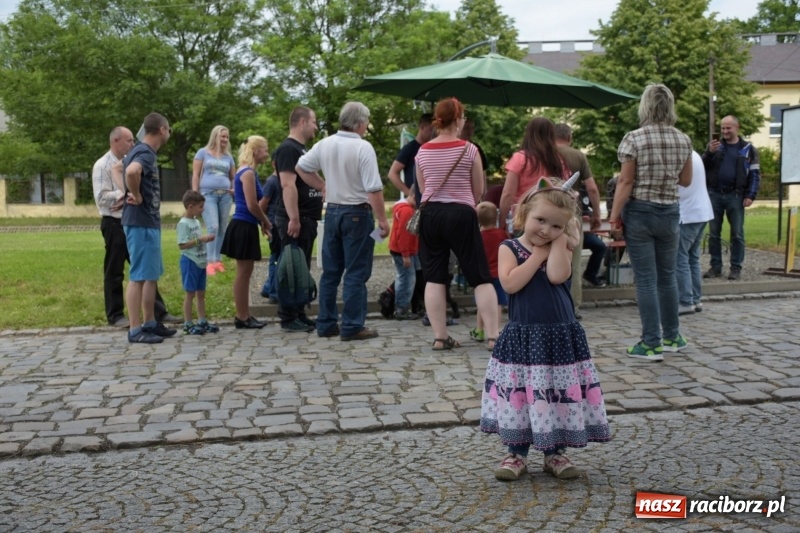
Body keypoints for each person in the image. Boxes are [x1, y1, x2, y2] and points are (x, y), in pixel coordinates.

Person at [480, 177, 610, 482]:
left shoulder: (558, 246)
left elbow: (556, 276)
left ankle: (555, 452)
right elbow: (510, 283)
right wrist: (538, 253)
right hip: (525, 335)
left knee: (556, 393)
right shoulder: (509, 247)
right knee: (523, 394)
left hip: (558, 335)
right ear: (525, 213)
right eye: (540, 221)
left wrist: (561, 244)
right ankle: (516, 453)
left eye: (555, 226)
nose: (546, 230)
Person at [609, 84, 692, 360]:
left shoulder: (634, 138)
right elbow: (686, 180)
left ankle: (651, 342)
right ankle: (672, 336)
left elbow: (626, 181)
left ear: (644, 106)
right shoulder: (683, 139)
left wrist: (614, 216)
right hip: (670, 211)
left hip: (641, 212)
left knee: (645, 279)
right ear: (670, 106)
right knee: (667, 277)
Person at [295, 101, 390, 341]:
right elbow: (374, 188)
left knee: (330, 272)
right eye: (366, 122)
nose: (366, 126)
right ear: (359, 123)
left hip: (333, 212)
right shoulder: (363, 147)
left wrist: (323, 185)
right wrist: (382, 219)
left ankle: (326, 323)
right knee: (356, 272)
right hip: (357, 213)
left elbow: (301, 167)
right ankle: (352, 325)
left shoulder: (325, 144)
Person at [415, 97, 498, 351]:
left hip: (431, 214)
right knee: (480, 276)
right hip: (461, 213)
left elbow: (422, 188)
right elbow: (478, 190)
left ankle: (441, 337)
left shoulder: (422, 151)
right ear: (459, 119)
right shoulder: (469, 149)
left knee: (434, 277)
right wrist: (464, 205)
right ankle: (493, 337)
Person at [92, 126, 178, 328]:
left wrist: (131, 193)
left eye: (133, 140)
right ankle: (116, 315)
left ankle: (157, 313)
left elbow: (125, 172)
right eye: (128, 140)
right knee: (115, 270)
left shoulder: (131, 157)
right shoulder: (102, 165)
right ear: (115, 141)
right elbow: (101, 198)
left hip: (134, 219)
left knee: (147, 270)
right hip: (114, 222)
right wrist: (128, 194)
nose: (132, 144)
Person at [122, 113, 177, 344]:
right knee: (138, 276)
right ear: (162, 129)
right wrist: (135, 195)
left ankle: (150, 323)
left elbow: (119, 168)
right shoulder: (144, 152)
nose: (169, 133)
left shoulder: (144, 152)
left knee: (150, 275)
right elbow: (131, 172)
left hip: (147, 221)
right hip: (140, 221)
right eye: (169, 129)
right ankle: (135, 330)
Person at [273, 106, 321, 333]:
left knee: (302, 269)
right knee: (291, 268)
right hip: (295, 219)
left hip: (307, 218)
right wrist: (294, 218)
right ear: (302, 122)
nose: (316, 126)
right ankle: (288, 316)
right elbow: (287, 184)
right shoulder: (288, 149)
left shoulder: (302, 149)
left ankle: (299, 312)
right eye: (313, 122)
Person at [220, 136, 271, 329]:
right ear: (256, 151)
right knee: (243, 273)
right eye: (265, 149)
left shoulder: (245, 171)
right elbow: (252, 204)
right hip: (243, 225)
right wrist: (265, 221)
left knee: (246, 272)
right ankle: (241, 316)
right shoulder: (248, 173)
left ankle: (245, 314)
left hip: (245, 224)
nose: (267, 153)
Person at [702, 115, 761, 281]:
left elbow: (755, 174)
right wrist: (708, 152)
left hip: (736, 195)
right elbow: (702, 166)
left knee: (737, 234)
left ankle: (736, 267)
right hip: (714, 194)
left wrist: (751, 195)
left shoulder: (748, 149)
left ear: (737, 127)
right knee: (713, 233)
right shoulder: (715, 147)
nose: (725, 131)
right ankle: (716, 267)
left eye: (728, 128)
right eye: (722, 128)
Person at [554, 123, 605, 296]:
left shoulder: (544, 153)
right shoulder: (578, 156)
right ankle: (573, 305)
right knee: (574, 259)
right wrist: (596, 214)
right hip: (572, 210)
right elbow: (591, 188)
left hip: (548, 208)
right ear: (569, 137)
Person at [499, 117, 570, 234]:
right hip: (551, 222)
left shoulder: (520, 158)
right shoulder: (559, 160)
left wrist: (502, 222)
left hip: (523, 220)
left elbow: (508, 194)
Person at [192, 125, 236, 276]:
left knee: (223, 227)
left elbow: (233, 177)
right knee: (213, 227)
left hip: (225, 196)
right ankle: (209, 261)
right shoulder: (203, 153)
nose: (224, 139)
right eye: (222, 136)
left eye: (226, 137)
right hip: (207, 194)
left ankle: (217, 260)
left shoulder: (228, 157)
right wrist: (195, 193)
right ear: (215, 136)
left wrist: (233, 188)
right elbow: (196, 174)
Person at [176, 190, 219, 335]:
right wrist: (200, 240)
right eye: (200, 207)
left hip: (201, 261)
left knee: (201, 293)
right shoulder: (183, 224)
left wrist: (206, 239)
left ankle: (202, 320)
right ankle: (188, 323)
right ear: (190, 206)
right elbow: (182, 245)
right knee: (190, 293)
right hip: (190, 261)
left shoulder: (196, 221)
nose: (203, 209)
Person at [677, 151, 714, 315]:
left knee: (680, 258)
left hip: (688, 213)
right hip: (701, 211)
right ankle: (696, 299)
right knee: (692, 258)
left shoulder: (680, 155)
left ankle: (685, 301)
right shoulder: (694, 154)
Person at [471, 201, 507, 342]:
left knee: (483, 303)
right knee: (496, 303)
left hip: (483, 274)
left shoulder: (477, 236)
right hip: (498, 274)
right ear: (496, 217)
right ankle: (495, 329)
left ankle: (479, 330)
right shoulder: (501, 234)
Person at [387, 113, 434, 205]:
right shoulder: (410, 148)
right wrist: (410, 193)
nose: (433, 134)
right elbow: (392, 173)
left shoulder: (433, 147)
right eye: (431, 130)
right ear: (422, 127)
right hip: (416, 199)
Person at [388, 185, 419, 320]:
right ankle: (401, 309)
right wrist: (406, 255)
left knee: (404, 277)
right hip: (403, 252)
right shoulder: (407, 211)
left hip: (399, 249)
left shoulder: (402, 209)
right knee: (407, 279)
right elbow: (404, 235)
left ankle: (401, 307)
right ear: (413, 196)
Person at [258, 157, 281, 304]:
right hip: (274, 224)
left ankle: (268, 287)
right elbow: (262, 204)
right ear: (274, 163)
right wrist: (264, 223)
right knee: (276, 258)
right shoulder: (272, 182)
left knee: (279, 257)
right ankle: (273, 291)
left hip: (280, 223)